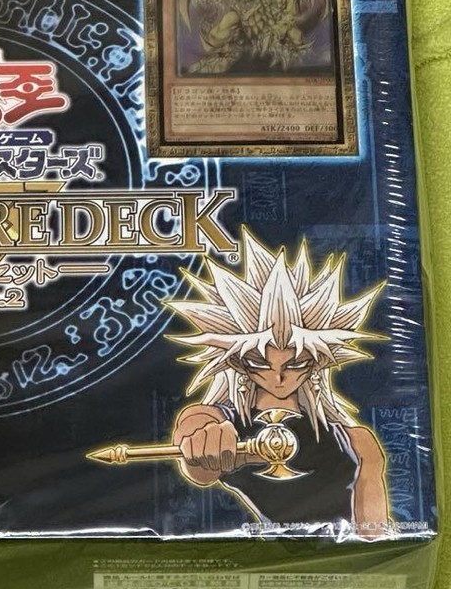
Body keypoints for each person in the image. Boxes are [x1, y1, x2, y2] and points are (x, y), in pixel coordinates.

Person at [167, 229, 390, 536]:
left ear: (317, 361)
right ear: (238, 362)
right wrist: (204, 442)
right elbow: (197, 445)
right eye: (260, 362)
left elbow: (376, 537)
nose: (278, 377)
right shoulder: (222, 418)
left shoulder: (356, 443)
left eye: (295, 363)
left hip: (341, 558)